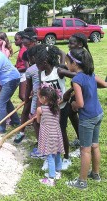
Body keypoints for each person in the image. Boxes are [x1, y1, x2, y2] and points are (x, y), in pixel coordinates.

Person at [66, 48, 104, 189]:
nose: (66, 64)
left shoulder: (76, 79)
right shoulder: (90, 73)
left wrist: (74, 104)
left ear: (74, 63)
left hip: (87, 118)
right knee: (95, 145)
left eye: (67, 61)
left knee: (85, 150)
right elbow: (102, 85)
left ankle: (81, 182)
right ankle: (95, 174)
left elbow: (80, 103)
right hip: (98, 113)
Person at [35, 45, 76, 170]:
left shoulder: (59, 71)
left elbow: (77, 76)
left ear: (45, 62)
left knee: (61, 132)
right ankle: (50, 157)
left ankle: (66, 158)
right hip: (49, 109)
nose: (36, 66)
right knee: (49, 133)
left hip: (61, 107)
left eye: (38, 64)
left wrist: (69, 92)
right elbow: (42, 90)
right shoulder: (41, 73)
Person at [37, 84, 64, 187]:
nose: (39, 99)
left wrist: (37, 117)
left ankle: (51, 179)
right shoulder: (57, 108)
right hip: (57, 133)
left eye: (39, 97)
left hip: (48, 134)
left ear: (44, 98)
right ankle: (58, 172)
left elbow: (39, 121)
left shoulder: (41, 109)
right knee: (57, 153)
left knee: (50, 156)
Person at [14, 45, 41, 144]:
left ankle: (40, 142)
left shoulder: (31, 70)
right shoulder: (35, 68)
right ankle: (21, 132)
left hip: (36, 95)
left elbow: (28, 87)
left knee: (35, 118)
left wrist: (26, 99)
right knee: (26, 111)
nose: (28, 63)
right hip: (34, 93)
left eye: (28, 61)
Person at [0, 32, 14, 122]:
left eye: (0, 40)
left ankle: (6, 117)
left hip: (5, 79)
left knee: (5, 99)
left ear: (4, 40)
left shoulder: (6, 50)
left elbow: (4, 59)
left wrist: (3, 47)